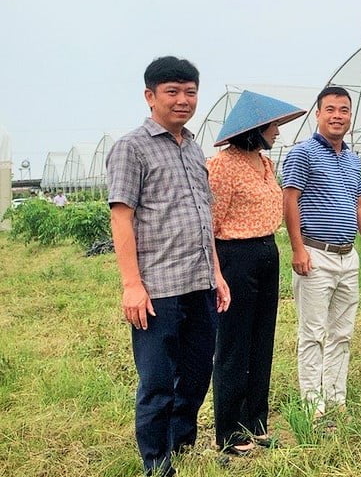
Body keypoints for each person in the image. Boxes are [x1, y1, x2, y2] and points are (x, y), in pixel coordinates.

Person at [107, 56, 231, 476]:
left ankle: (180, 444)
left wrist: (216, 273)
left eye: (190, 92)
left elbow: (204, 217)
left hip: (199, 282)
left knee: (196, 373)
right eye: (172, 92)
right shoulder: (131, 147)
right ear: (150, 96)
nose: (183, 100)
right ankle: (156, 463)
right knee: (158, 381)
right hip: (158, 287)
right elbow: (121, 217)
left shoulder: (195, 149)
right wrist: (131, 285)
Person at [207, 91, 306, 455]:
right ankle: (229, 434)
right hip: (235, 255)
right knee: (234, 345)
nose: (278, 132)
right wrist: (216, 274)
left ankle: (256, 422)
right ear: (255, 128)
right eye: (273, 125)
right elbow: (211, 225)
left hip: (266, 251)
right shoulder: (222, 165)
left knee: (261, 341)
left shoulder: (264, 163)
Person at [281, 86, 361, 416]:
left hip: (347, 255)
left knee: (342, 332)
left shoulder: (353, 159)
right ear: (318, 114)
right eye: (330, 109)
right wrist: (298, 250)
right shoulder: (303, 153)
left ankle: (336, 396)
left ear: (350, 115)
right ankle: (313, 403)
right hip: (315, 254)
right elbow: (290, 201)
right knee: (313, 333)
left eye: (343, 110)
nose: (337, 116)